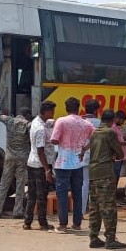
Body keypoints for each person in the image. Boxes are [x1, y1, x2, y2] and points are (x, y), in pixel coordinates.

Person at [50, 98, 94, 232]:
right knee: (77, 193)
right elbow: (95, 137)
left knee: (62, 194)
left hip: (63, 162)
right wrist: (84, 149)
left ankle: (63, 224)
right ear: (78, 108)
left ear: (66, 107)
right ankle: (77, 224)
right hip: (78, 162)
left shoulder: (61, 121)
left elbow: (54, 140)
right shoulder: (86, 123)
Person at [86, 109, 126, 249]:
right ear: (113, 119)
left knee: (95, 207)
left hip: (93, 173)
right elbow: (120, 154)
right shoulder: (110, 132)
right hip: (105, 174)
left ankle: (93, 237)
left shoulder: (94, 132)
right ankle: (110, 239)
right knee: (109, 207)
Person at [0, 107, 32, 218]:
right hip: (22, 158)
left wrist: (3, 112)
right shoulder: (28, 125)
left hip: (9, 157)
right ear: (27, 115)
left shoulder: (9, 120)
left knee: (4, 184)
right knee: (20, 184)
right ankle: (17, 211)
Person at [24, 102, 57, 230]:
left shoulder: (36, 122)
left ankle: (27, 221)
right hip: (40, 165)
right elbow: (40, 150)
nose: (53, 114)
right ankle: (42, 222)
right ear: (47, 112)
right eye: (52, 111)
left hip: (32, 163)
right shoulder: (41, 129)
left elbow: (50, 122)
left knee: (31, 194)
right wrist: (47, 170)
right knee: (41, 194)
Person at [80, 99, 101, 214]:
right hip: (95, 156)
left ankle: (82, 210)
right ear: (96, 110)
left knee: (83, 183)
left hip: (80, 155)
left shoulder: (80, 121)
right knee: (94, 184)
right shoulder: (98, 123)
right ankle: (93, 209)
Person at [111, 110, 126, 182]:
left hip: (119, 156)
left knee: (117, 175)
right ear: (117, 118)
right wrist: (125, 143)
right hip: (116, 157)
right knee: (115, 176)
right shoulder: (113, 128)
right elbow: (114, 141)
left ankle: (113, 191)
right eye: (122, 120)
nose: (123, 122)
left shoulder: (117, 128)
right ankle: (112, 192)